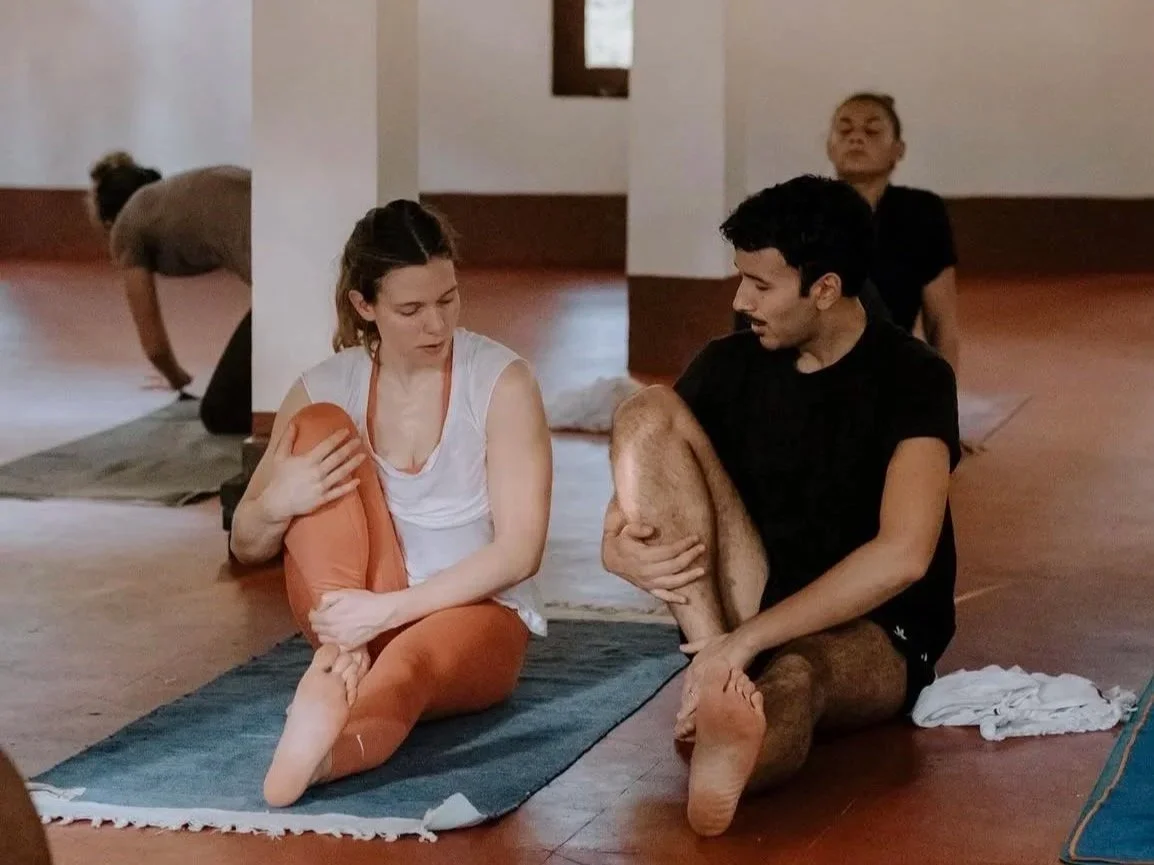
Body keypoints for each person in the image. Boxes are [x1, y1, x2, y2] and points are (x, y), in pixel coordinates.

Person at [601, 176, 959, 837]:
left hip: (875, 628)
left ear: (824, 288)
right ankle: (714, 682)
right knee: (646, 409)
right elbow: (643, 471)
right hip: (751, 598)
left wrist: (751, 641)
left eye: (761, 286)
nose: (741, 300)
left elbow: (904, 555)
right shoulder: (728, 363)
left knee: (798, 673)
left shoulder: (913, 376)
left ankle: (737, 752)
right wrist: (616, 541)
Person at [228, 200, 552, 808]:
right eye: (411, 309)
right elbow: (245, 543)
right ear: (364, 307)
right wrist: (280, 502)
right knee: (320, 425)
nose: (437, 325)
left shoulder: (502, 381)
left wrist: (388, 612)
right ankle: (344, 669)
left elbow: (520, 551)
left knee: (409, 665)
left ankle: (321, 754)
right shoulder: (325, 383)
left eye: (448, 300)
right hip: (350, 612)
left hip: (468, 611)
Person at [87, 151, 252, 434]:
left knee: (219, 413)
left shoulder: (126, 227)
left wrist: (177, 379)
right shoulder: (173, 194)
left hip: (282, 281)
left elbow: (154, 347)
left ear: (107, 222)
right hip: (294, 247)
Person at [827, 93, 961, 373]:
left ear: (898, 150)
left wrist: (942, 403)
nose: (856, 138)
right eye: (844, 129)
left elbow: (941, 323)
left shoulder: (922, 212)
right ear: (829, 147)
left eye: (872, 130)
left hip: (885, 370)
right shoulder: (801, 209)